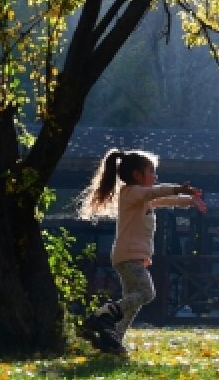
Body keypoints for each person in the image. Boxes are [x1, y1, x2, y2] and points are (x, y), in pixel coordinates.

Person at [77, 149, 207, 355]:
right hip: (128, 257)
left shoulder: (140, 198)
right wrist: (178, 188)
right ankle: (103, 315)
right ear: (137, 175)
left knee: (132, 302)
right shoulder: (131, 193)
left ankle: (112, 340)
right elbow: (156, 193)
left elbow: (162, 200)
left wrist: (188, 201)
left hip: (131, 257)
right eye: (151, 172)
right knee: (147, 293)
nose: (155, 177)